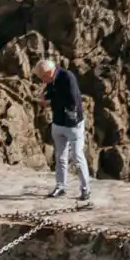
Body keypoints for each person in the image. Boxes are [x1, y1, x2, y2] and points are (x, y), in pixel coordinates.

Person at [37, 57, 92, 202]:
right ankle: (60, 186)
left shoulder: (67, 77)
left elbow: (73, 100)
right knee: (60, 157)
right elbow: (50, 92)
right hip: (58, 123)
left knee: (77, 156)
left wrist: (50, 101)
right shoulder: (51, 80)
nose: (42, 80)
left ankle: (85, 189)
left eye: (43, 77)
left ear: (49, 72)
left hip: (73, 125)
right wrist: (44, 97)